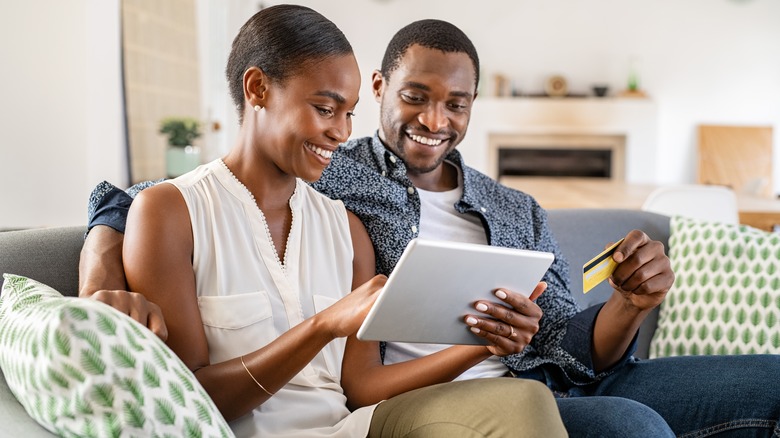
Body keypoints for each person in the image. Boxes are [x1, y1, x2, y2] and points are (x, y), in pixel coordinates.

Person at [82, 16, 780, 438]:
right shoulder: (334, 173)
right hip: (451, 402)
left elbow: (569, 345)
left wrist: (630, 302)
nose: (435, 121)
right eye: (416, 96)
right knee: (632, 427)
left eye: (457, 104)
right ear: (380, 89)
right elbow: (141, 199)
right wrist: (100, 277)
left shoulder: (515, 209)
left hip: (560, 382)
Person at [85, 5, 568, 438]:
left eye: (349, 114)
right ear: (257, 89)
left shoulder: (347, 229)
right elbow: (188, 401)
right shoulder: (170, 213)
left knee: (525, 399)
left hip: (353, 427)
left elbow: (363, 387)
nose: (340, 131)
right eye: (324, 109)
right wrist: (322, 327)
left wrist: (486, 344)